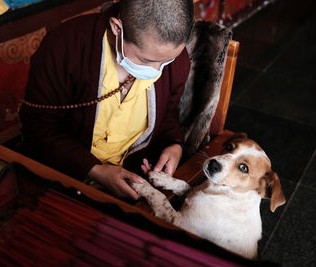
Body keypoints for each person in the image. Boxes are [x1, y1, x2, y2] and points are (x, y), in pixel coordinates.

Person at [19, 0, 194, 200]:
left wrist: (174, 144)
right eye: (146, 61)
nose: (156, 72)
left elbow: (167, 112)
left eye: (167, 61)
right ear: (117, 28)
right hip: (64, 176)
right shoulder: (65, 46)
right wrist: (95, 170)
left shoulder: (177, 59)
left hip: (135, 177)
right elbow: (38, 127)